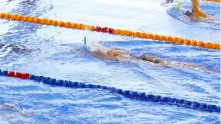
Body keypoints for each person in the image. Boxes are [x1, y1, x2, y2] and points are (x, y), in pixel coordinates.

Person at [86, 42, 215, 72]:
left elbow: (103, 54)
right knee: (177, 64)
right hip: (149, 60)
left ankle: (208, 69)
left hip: (149, 62)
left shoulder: (124, 58)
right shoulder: (126, 56)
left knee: (175, 64)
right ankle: (208, 69)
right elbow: (103, 53)